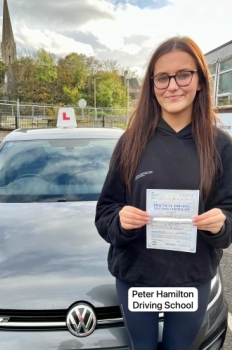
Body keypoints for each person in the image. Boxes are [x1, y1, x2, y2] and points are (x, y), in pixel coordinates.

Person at [95, 36, 232, 350]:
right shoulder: (130, 142)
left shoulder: (220, 146)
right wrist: (120, 220)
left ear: (199, 80)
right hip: (136, 277)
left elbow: (230, 214)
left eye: (183, 74)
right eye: (162, 77)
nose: (173, 85)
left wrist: (221, 223)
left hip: (190, 280)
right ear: (151, 84)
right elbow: (105, 211)